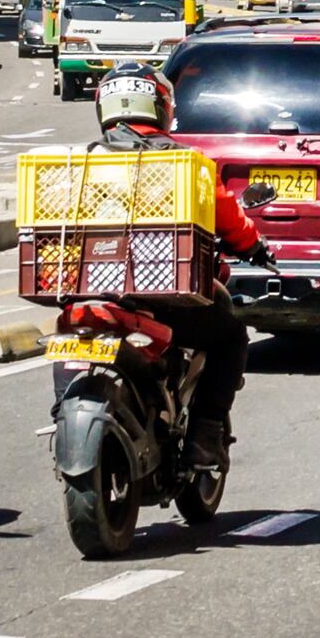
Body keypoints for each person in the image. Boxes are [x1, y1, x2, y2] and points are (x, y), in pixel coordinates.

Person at [91, 65, 270, 451]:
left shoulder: (86, 161)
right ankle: (205, 434)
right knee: (231, 338)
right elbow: (229, 220)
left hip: (94, 287)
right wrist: (254, 246)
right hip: (166, 293)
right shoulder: (187, 163)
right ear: (161, 107)